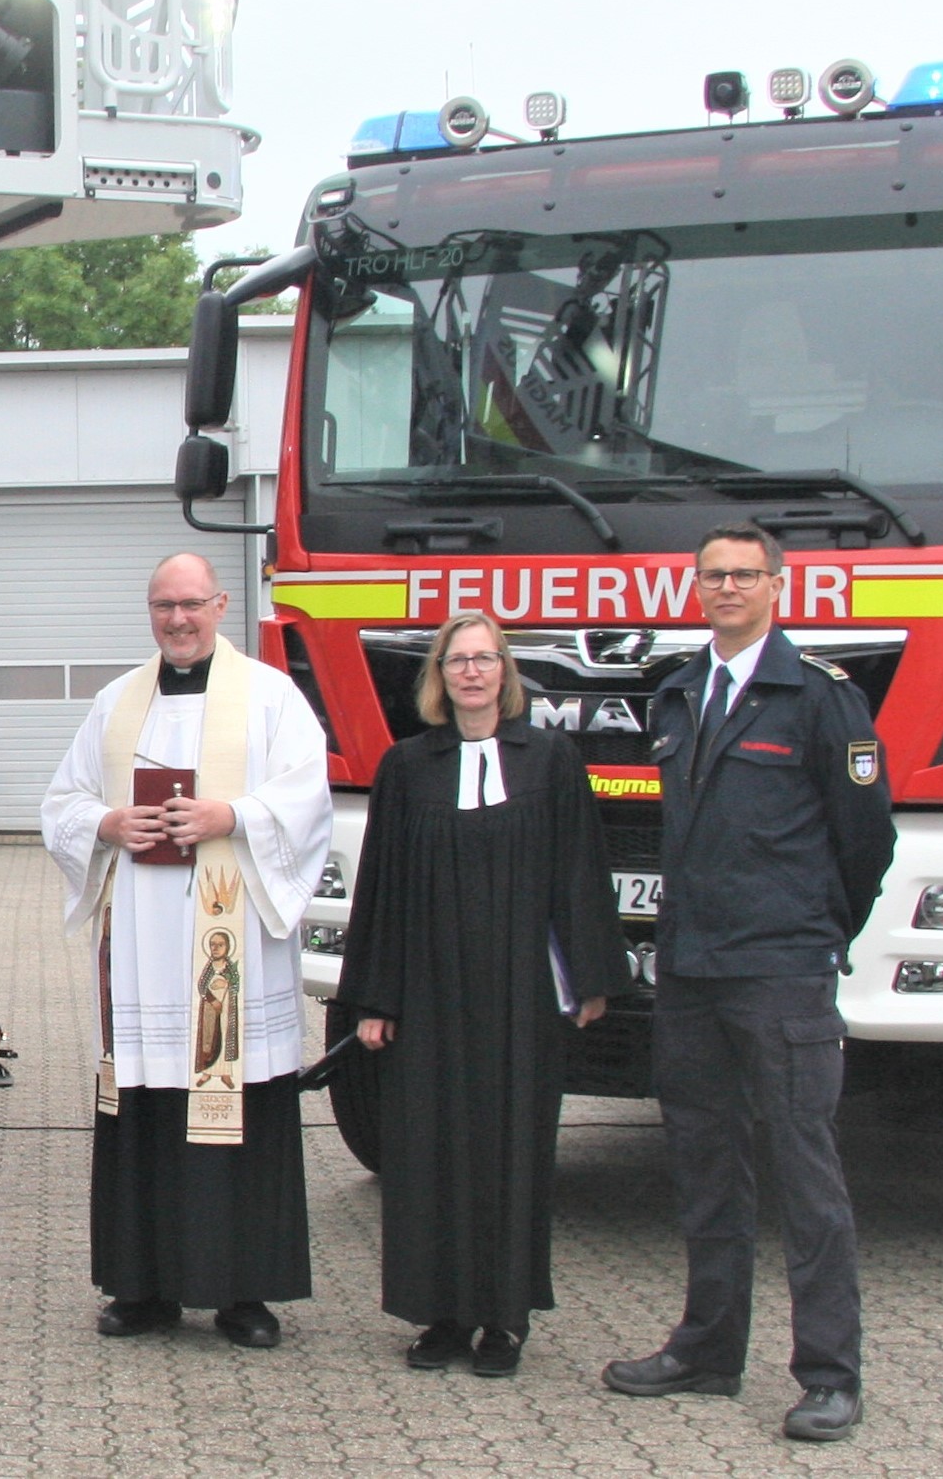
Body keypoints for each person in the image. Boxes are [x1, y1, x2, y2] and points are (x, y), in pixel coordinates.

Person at [603, 524, 894, 1443]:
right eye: (711, 576)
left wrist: (812, 930)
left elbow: (865, 840)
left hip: (779, 971)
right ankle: (708, 1348)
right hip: (690, 969)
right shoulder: (681, 692)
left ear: (777, 586)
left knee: (806, 1174)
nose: (726, 588)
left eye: (743, 575)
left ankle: (828, 1374)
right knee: (703, 1166)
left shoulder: (816, 698)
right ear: (695, 589)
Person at [41, 553, 331, 1347]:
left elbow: (307, 795)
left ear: (219, 604)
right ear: (150, 611)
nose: (177, 620)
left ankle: (245, 1294)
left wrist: (229, 817)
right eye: (163, 605)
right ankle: (142, 1289)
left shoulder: (270, 698)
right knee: (143, 1110)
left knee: (239, 1110)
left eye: (191, 605)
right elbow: (59, 800)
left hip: (225, 951)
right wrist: (108, 825)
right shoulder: (114, 702)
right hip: (137, 947)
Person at [337, 610, 630, 1377]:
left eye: (484, 659)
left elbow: (577, 867)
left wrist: (592, 978)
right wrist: (373, 999)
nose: (471, 672)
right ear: (438, 677)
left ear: (505, 673)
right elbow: (384, 887)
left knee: (511, 1149)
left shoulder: (549, 759)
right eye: (456, 660)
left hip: (516, 993)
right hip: (429, 992)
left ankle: (502, 1320)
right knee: (426, 1150)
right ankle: (438, 1316)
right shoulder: (407, 766)